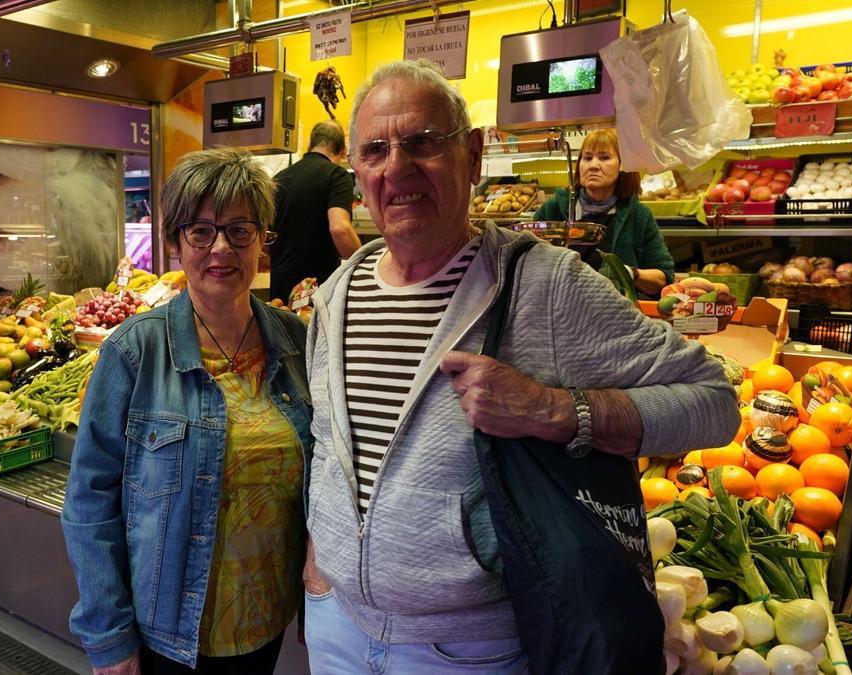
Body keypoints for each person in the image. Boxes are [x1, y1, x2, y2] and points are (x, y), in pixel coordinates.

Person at [300, 59, 740, 673]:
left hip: (467, 650)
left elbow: (714, 400)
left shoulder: (545, 285)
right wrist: (322, 560)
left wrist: (554, 410)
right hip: (336, 628)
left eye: (423, 143)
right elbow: (330, 443)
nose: (397, 167)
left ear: (472, 156)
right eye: (374, 151)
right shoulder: (336, 294)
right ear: (357, 171)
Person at [62, 146, 313, 675]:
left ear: (262, 239)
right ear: (177, 242)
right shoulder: (134, 351)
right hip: (169, 635)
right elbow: (90, 499)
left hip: (265, 623)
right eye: (200, 231)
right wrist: (109, 635)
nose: (221, 247)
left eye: (239, 230)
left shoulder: (296, 342)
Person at [532, 128, 674, 296]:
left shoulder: (638, 215)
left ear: (623, 165)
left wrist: (630, 273)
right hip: (558, 308)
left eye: (604, 157)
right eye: (587, 158)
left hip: (616, 313)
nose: (593, 165)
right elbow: (529, 264)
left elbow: (663, 278)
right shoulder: (553, 208)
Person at [268, 120, 360, 303]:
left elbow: (267, 236)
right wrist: (364, 266)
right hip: (317, 292)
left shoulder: (279, 178)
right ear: (342, 151)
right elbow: (340, 228)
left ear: (311, 145)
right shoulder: (337, 175)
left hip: (279, 290)